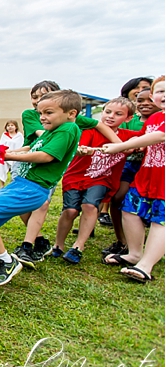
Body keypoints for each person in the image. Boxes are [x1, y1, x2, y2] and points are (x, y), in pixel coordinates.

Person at [0, 90, 82, 286]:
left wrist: (9, 157)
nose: (42, 117)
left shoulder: (68, 129)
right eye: (40, 113)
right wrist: (2, 151)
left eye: (49, 113)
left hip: (33, 188)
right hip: (22, 184)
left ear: (71, 114)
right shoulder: (53, 131)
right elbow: (32, 148)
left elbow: (46, 156)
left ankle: (6, 261)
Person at [13, 80, 120, 264]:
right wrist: (71, 147)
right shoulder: (32, 114)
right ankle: (38, 239)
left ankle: (28, 245)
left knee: (42, 203)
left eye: (45, 97)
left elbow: (98, 124)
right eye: (35, 97)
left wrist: (118, 144)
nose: (39, 101)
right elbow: (44, 134)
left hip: (48, 167)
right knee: (21, 205)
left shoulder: (68, 117)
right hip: (25, 161)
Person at [51, 97, 138, 264]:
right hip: (75, 176)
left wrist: (136, 143)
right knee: (70, 211)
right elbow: (76, 146)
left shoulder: (128, 137)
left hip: (102, 179)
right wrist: (81, 149)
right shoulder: (89, 131)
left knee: (90, 205)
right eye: (107, 112)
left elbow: (149, 138)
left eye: (118, 114)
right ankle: (58, 244)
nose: (111, 116)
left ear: (128, 118)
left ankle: (78, 247)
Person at [101, 76, 165, 282]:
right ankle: (134, 253)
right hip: (147, 175)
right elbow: (143, 138)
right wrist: (133, 144)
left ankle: (145, 265)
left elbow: (159, 136)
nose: (163, 96)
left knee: (160, 221)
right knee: (129, 211)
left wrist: (120, 147)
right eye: (160, 91)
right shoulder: (155, 118)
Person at [0, 120, 23, 187]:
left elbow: (21, 145)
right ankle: (2, 185)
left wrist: (14, 151)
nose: (10, 127)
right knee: (1, 166)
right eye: (8, 125)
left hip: (15, 155)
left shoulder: (19, 136)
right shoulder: (4, 135)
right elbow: (1, 145)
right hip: (5, 155)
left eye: (12, 125)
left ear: (16, 127)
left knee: (15, 169)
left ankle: (13, 184)